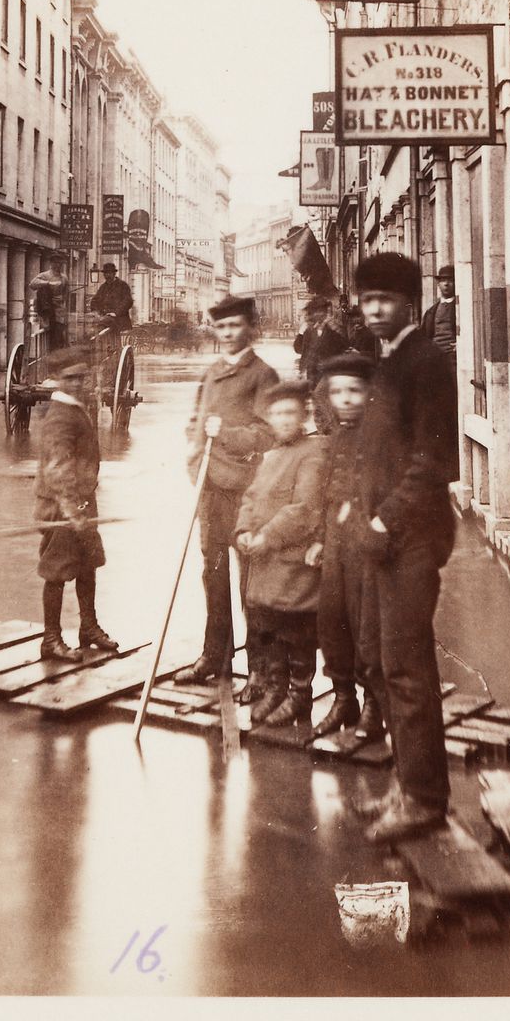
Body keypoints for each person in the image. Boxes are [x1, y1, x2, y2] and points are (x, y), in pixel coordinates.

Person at [350, 250, 459, 843]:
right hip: (385, 537)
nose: (373, 309)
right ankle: (407, 781)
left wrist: (386, 520)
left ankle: (423, 800)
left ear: (408, 302)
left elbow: (432, 461)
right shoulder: (387, 359)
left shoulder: (426, 362)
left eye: (384, 300)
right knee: (389, 664)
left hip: (412, 536)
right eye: (366, 300)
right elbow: (378, 452)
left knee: (409, 668)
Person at [175, 294, 281, 685]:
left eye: (235, 325)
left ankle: (259, 668)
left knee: (251, 579)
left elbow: (271, 433)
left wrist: (230, 436)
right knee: (213, 574)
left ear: (250, 327)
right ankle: (214, 657)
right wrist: (193, 447)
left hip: (247, 492)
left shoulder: (263, 375)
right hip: (211, 489)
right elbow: (195, 419)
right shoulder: (212, 371)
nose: (228, 333)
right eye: (221, 327)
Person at [234, 382, 327, 727]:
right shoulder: (270, 456)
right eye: (277, 414)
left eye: (290, 413)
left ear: (303, 415)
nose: (284, 420)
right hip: (264, 562)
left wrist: (267, 537)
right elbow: (251, 497)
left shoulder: (313, 453)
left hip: (292, 562)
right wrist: (244, 529)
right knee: (267, 625)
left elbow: (304, 508)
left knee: (296, 630)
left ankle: (300, 695)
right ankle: (276, 689)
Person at [308, 350, 383, 740]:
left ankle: (374, 703)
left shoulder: (382, 438)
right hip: (337, 542)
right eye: (337, 392)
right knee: (331, 617)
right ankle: (343, 697)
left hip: (368, 547)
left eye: (355, 390)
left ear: (370, 393)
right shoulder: (336, 436)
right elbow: (328, 490)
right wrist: (322, 538)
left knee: (366, 623)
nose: (346, 399)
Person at [34, 347, 119, 662]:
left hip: (81, 503)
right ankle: (51, 639)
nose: (77, 383)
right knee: (56, 570)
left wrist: (84, 506)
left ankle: (88, 627)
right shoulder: (59, 417)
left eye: (82, 377)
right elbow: (58, 469)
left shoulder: (76, 408)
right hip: (61, 505)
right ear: (56, 379)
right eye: (70, 378)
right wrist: (72, 511)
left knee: (88, 564)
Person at [292, 295, 349, 429]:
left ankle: (334, 429)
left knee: (321, 396)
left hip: (331, 372)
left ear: (325, 312)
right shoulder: (309, 330)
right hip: (313, 373)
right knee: (317, 403)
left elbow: (345, 345)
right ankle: (323, 431)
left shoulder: (334, 328)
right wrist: (301, 371)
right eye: (315, 311)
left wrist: (336, 329)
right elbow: (300, 350)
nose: (318, 314)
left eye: (321, 311)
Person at [28, 260, 69, 353]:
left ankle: (57, 356)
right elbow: (32, 284)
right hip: (47, 310)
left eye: (59, 264)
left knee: (58, 336)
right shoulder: (45, 275)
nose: (57, 266)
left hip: (59, 311)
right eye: (55, 264)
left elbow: (66, 294)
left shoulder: (64, 278)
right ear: (51, 264)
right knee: (47, 335)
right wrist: (47, 283)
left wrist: (62, 303)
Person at [89, 263, 134, 336]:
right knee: (95, 329)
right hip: (105, 319)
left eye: (109, 273)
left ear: (114, 273)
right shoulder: (103, 287)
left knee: (115, 342)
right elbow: (95, 301)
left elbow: (128, 301)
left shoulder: (122, 285)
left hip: (119, 320)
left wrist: (116, 313)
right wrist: (96, 312)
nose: (107, 276)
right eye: (105, 273)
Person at [421, 265, 458, 352]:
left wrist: (462, 344)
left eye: (450, 280)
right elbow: (423, 336)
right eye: (443, 280)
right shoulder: (431, 311)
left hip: (453, 356)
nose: (446, 284)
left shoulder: (460, 307)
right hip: (435, 357)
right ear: (438, 284)